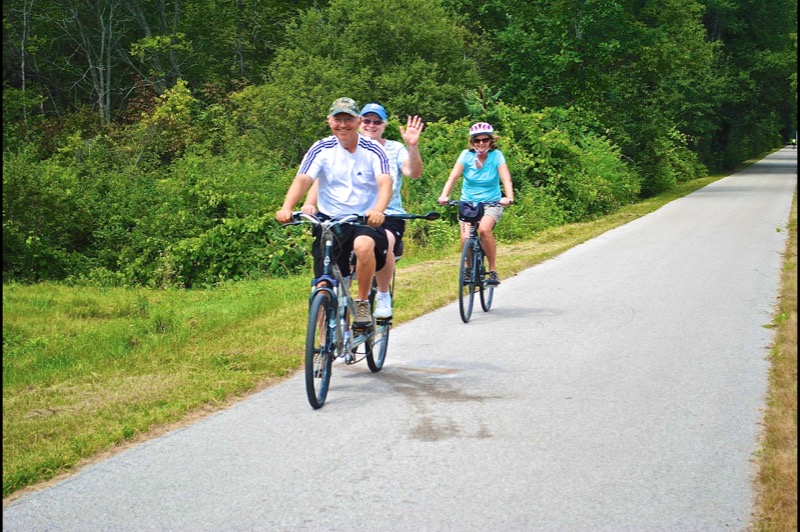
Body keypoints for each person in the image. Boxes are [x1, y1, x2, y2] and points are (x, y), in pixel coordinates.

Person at [275, 97, 392, 328]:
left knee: (363, 246)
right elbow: (303, 179)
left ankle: (362, 302)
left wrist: (378, 211)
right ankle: (323, 344)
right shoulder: (321, 148)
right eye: (338, 119)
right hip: (330, 222)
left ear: (358, 122)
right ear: (329, 121)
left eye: (348, 119)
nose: (343, 125)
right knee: (322, 285)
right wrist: (287, 207)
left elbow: (385, 183)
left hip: (363, 220)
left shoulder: (373, 149)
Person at [303, 103, 424, 319]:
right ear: (360, 122)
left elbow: (412, 172)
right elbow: (324, 179)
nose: (371, 125)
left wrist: (412, 147)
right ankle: (332, 329)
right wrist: (309, 204)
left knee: (384, 240)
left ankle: (383, 294)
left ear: (384, 125)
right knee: (331, 279)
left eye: (377, 121)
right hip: (347, 214)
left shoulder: (393, 149)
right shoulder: (342, 147)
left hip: (387, 213)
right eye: (367, 120)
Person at [437, 122, 514, 286]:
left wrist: (509, 197)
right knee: (466, 238)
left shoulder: (496, 156)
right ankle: (468, 267)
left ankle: (492, 271)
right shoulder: (466, 156)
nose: (481, 143)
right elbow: (453, 177)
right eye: (477, 140)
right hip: (469, 203)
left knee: (484, 230)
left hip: (492, 202)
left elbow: (506, 178)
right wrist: (444, 195)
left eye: (485, 140)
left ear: (491, 141)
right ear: (472, 142)